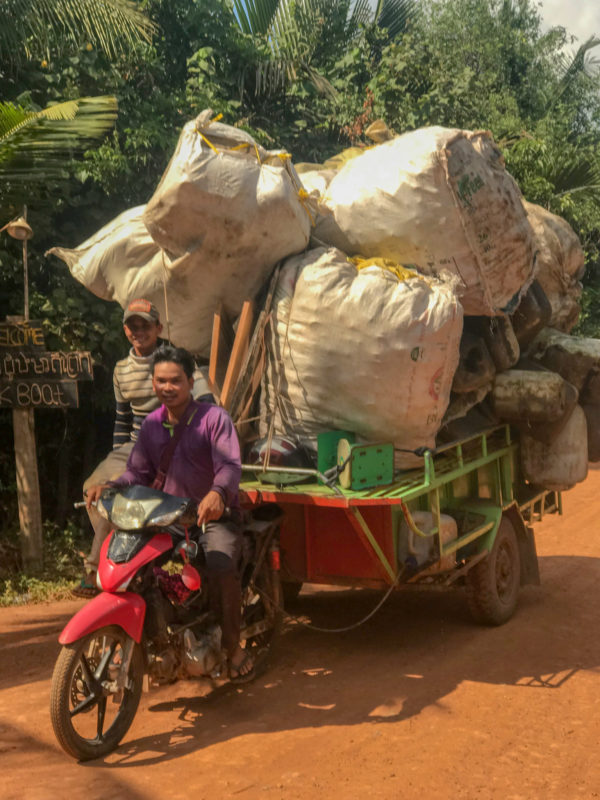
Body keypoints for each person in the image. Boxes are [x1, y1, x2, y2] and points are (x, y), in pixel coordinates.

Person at [85, 344, 254, 683]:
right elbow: (138, 473)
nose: (167, 387)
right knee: (135, 567)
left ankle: (234, 647)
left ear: (191, 383)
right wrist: (113, 486)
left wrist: (217, 494)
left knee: (221, 567)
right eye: (161, 380)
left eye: (175, 380)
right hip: (165, 519)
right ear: (153, 383)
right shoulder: (150, 425)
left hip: (210, 519)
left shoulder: (214, 419)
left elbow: (230, 467)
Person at [74, 298, 210, 597]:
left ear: (158, 328)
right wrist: (118, 458)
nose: (139, 331)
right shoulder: (121, 370)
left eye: (145, 325)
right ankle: (113, 560)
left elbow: (207, 401)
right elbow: (122, 419)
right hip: (137, 442)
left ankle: (98, 565)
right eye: (132, 326)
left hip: (174, 439)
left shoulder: (177, 359)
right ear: (125, 330)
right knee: (94, 489)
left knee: (127, 492)